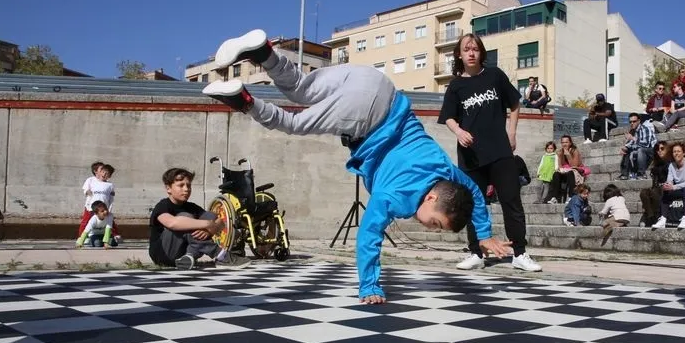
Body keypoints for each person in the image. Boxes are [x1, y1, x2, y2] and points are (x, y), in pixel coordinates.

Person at [202, 29, 512, 302]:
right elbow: (368, 236)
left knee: (301, 87)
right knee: (293, 123)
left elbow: (470, 188)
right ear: (431, 199)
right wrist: (370, 287)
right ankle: (244, 100)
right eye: (434, 223)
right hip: (369, 115)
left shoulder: (444, 171)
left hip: (376, 83)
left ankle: (263, 52)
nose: (427, 226)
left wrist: (484, 234)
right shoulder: (394, 198)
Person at [438, 33, 541, 272]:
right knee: (474, 204)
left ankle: (520, 253)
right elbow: (449, 117)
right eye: (466, 49)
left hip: (500, 151)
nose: (471, 53)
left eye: (475, 49)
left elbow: (514, 104)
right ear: (459, 54)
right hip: (471, 156)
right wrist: (459, 131)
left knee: (511, 201)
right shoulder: (455, 86)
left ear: (481, 52)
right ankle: (476, 252)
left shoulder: (495, 76)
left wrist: (512, 132)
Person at [149, 167, 248, 270]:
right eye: (181, 185)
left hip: (181, 253)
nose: (186, 189)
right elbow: (172, 223)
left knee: (209, 215)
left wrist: (208, 231)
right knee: (186, 218)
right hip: (163, 254)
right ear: (168, 188)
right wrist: (207, 225)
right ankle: (221, 256)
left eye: (188, 185)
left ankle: (188, 257)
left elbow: (219, 222)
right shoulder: (162, 206)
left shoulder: (192, 207)